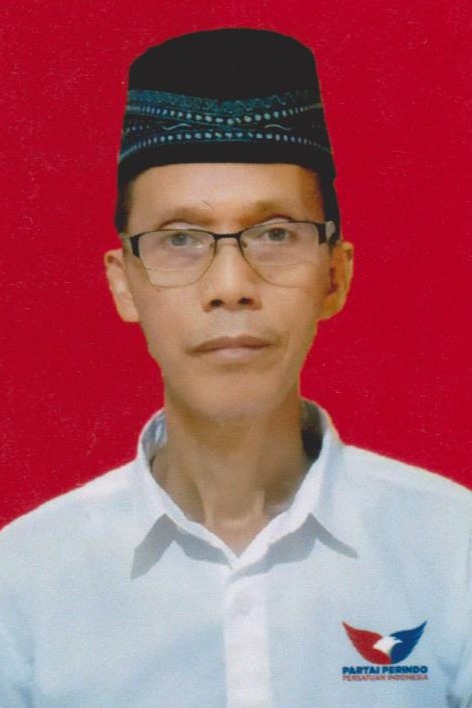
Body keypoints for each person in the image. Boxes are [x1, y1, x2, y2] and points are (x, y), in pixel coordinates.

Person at [0, 28, 470, 708]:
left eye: (275, 233)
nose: (230, 286)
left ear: (335, 275)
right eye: (181, 239)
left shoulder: (454, 554)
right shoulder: (22, 582)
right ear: (124, 283)